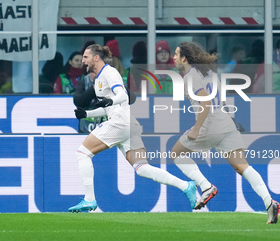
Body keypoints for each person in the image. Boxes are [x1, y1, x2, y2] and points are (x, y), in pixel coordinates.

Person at [68, 44, 197, 213]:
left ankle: (89, 200)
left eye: (86, 57)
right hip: (128, 124)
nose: (83, 60)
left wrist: (110, 101)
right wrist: (87, 114)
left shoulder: (110, 72)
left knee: (82, 153)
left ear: (96, 58)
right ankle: (186, 186)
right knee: (142, 168)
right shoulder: (99, 79)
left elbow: (122, 95)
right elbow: (108, 108)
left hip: (119, 123)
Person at [170, 41, 279, 224]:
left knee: (176, 153)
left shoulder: (190, 77)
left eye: (176, 54)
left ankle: (206, 187)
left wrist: (196, 129)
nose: (173, 57)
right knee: (241, 166)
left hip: (209, 124)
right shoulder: (209, 72)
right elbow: (218, 99)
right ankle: (270, 203)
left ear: (184, 58)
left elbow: (205, 104)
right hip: (224, 121)